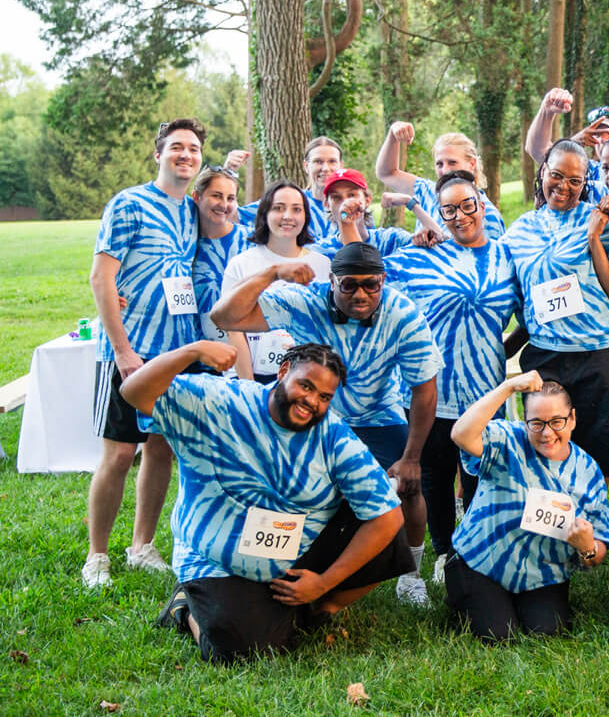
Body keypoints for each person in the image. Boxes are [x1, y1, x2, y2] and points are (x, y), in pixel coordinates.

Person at [122, 340, 410, 664]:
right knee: (238, 651)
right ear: (283, 371)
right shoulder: (222, 400)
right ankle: (185, 607)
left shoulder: (333, 436)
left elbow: (387, 515)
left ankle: (317, 609)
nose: (312, 402)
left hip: (293, 551)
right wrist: (191, 352)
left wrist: (323, 584)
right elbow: (134, 392)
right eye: (306, 386)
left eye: (324, 397)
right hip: (215, 557)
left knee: (385, 528)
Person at [210, 241, 442, 607]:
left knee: (410, 486)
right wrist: (271, 273)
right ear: (331, 281)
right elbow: (223, 317)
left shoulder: (403, 314)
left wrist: (411, 457)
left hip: (377, 415)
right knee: (282, 484)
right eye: (349, 284)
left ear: (383, 281)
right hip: (314, 412)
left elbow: (425, 391)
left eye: (371, 284)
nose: (361, 294)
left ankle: (411, 577)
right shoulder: (304, 300)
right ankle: (269, 562)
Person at [383, 170, 524, 582]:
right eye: (449, 210)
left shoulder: (506, 257)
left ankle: (474, 551)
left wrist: (503, 349)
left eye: (467, 205)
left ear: (482, 204)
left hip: (485, 391)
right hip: (433, 390)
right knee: (436, 476)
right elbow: (370, 281)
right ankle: (444, 552)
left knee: (481, 474)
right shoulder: (426, 254)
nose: (460, 216)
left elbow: (529, 315)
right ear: (439, 214)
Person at [82, 118, 205, 588]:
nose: (185, 155)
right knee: (118, 455)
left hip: (175, 354)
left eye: (193, 149)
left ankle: (142, 546)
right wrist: (122, 350)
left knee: (161, 449)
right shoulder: (129, 203)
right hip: (130, 351)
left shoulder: (193, 210)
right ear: (158, 154)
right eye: (176, 147)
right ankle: (97, 556)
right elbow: (101, 277)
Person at [501, 139, 609, 482]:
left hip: (602, 356)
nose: (564, 187)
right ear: (543, 172)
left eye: (575, 180)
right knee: (549, 459)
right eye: (557, 175)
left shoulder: (598, 220)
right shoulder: (519, 231)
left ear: (585, 182)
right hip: (546, 358)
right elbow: (515, 297)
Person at [446, 372, 609, 640]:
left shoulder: (588, 471)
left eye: (557, 421)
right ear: (524, 421)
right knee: (499, 635)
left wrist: (587, 547)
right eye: (536, 423)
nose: (547, 433)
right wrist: (508, 387)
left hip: (543, 573)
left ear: (572, 419)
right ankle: (466, 593)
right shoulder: (507, 439)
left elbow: (598, 551)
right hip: (481, 561)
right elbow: (461, 434)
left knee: (547, 631)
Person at [221, 181, 332, 384]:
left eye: (296, 209)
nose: (288, 216)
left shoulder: (323, 265)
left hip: (307, 380)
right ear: (265, 213)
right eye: (278, 208)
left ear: (305, 216)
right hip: (251, 377)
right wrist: (249, 387)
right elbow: (233, 329)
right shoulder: (240, 264)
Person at [375, 123, 507, 238]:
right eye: (439, 164)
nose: (445, 170)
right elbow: (387, 173)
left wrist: (411, 204)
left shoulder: (486, 214)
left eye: (452, 162)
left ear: (472, 164)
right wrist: (393, 136)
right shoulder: (427, 191)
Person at [191, 166, 250, 351]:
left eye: (230, 198)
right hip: (191, 350)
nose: (224, 205)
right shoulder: (184, 243)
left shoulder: (251, 241)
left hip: (242, 350)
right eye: (216, 196)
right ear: (197, 197)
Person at [236, 136, 343, 238]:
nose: (325, 168)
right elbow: (235, 216)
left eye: (332, 161)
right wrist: (230, 171)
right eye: (318, 161)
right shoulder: (290, 200)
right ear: (306, 166)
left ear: (341, 166)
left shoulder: (349, 205)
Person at [312, 169, 424, 258]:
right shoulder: (320, 252)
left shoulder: (391, 240)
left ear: (367, 200)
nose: (346, 203)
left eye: (351, 195)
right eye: (336, 198)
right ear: (327, 205)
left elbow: (432, 248)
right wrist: (344, 220)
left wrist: (410, 202)